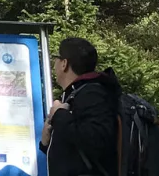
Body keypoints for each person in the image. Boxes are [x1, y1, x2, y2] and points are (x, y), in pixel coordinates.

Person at [39, 37, 121, 176]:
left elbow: (97, 141)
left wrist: (59, 115)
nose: (55, 64)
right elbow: (75, 153)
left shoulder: (92, 93)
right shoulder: (77, 93)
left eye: (57, 58)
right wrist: (46, 143)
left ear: (64, 63)